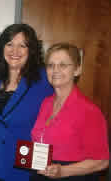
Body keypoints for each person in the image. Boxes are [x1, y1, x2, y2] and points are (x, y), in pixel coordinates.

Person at [0, 24, 53, 181]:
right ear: (2, 48)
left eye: (22, 45)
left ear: (31, 50)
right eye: (10, 44)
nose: (15, 51)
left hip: (24, 170)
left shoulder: (44, 80)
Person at [30, 42, 109, 181]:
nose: (55, 70)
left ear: (77, 70)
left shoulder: (89, 111)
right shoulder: (46, 103)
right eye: (50, 65)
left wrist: (63, 171)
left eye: (63, 65)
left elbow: (102, 161)